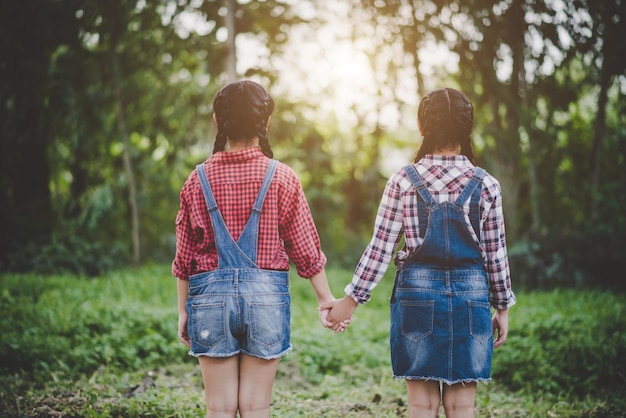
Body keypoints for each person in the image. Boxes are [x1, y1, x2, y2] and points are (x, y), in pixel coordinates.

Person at [322, 87, 516, 418]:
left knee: (421, 405)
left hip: (416, 300)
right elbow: (495, 256)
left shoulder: (404, 181)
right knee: (462, 405)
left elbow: (380, 249)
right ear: (466, 129)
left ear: (421, 126)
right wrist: (502, 307)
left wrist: (349, 302)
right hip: (472, 300)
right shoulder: (486, 184)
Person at [172, 80, 346, 418]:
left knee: (219, 409)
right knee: (255, 408)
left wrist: (183, 311)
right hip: (266, 301)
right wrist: (326, 299)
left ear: (216, 120)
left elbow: (185, 259)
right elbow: (306, 249)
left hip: (209, 302)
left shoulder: (197, 180)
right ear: (264, 122)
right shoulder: (282, 177)